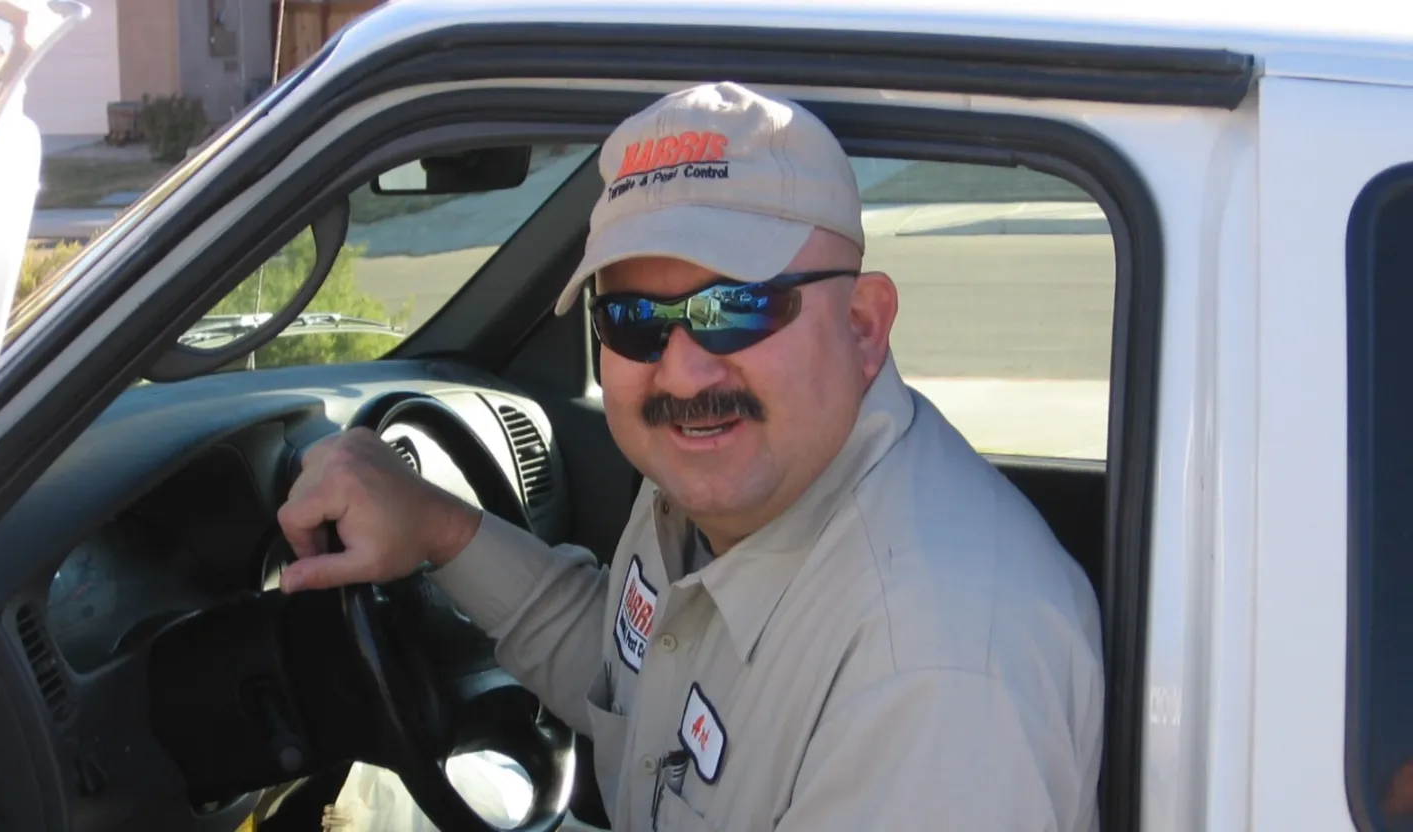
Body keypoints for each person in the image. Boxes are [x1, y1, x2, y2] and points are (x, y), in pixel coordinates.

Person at [277, 81, 1104, 831]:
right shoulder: (723, 480)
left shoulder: (932, 677)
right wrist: (439, 528)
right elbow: (630, 682)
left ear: (862, 325)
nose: (681, 372)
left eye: (735, 309)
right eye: (634, 319)